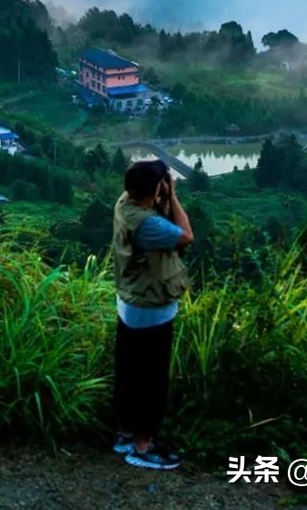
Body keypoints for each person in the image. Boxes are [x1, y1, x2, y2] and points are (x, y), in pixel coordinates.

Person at [111, 156, 193, 471]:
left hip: (130, 302)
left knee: (129, 372)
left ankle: (125, 433)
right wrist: (171, 196)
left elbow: (140, 175)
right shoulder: (150, 225)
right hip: (152, 309)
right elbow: (186, 236)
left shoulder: (125, 203)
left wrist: (154, 179)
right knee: (152, 379)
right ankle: (143, 447)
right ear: (156, 188)